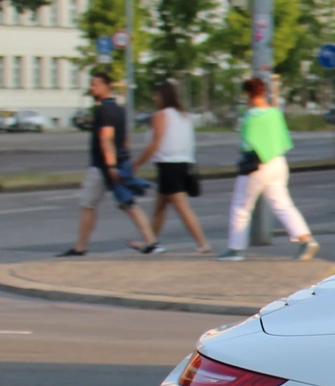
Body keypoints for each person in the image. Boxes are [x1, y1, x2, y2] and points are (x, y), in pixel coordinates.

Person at [60, 70, 157, 256]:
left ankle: (80, 247)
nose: (92, 87)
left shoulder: (103, 110)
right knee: (128, 203)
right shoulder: (119, 110)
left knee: (87, 204)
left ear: (107, 86)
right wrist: (123, 160)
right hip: (119, 162)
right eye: (92, 84)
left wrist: (111, 165)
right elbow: (125, 139)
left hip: (102, 166)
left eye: (96, 84)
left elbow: (106, 139)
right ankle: (151, 240)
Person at [222, 75, 319, 262]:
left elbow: (246, 145)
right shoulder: (275, 113)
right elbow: (283, 139)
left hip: (257, 165)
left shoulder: (250, 117)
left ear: (248, 93)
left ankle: (235, 249)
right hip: (278, 163)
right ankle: (306, 239)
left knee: (241, 207)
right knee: (283, 204)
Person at [131, 79, 211, 256]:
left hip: (169, 165)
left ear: (163, 96)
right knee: (160, 207)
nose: (154, 98)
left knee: (182, 207)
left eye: (156, 94)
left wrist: (137, 163)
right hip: (183, 164)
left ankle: (202, 243)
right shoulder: (183, 115)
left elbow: (155, 143)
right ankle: (150, 241)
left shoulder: (161, 115)